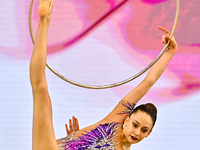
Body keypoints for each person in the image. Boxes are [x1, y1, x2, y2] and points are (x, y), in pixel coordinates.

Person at [30, 0, 178, 150]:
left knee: (40, 89)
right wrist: (170, 53)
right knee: (41, 89)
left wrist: (75, 141)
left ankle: (45, 21)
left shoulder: (114, 119)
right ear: (127, 119)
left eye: (143, 130)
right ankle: (44, 18)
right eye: (135, 125)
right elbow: (148, 81)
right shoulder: (116, 118)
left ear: (149, 133)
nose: (137, 132)